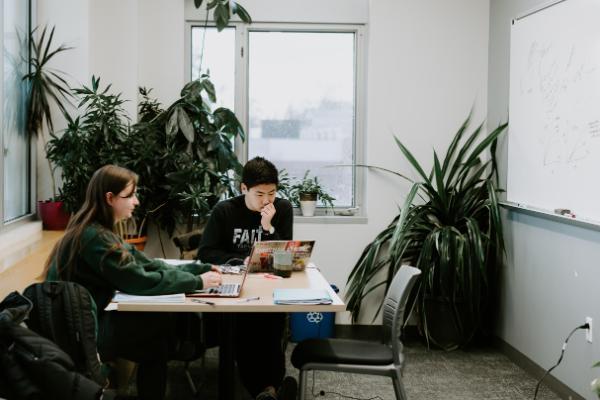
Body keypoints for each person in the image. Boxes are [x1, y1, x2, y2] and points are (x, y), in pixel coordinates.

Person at [41, 164, 222, 400]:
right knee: (157, 337)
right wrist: (197, 282)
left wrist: (199, 269)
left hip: (82, 321)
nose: (136, 202)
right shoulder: (94, 237)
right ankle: (182, 345)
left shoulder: (96, 230)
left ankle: (180, 345)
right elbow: (139, 281)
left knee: (157, 337)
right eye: (130, 195)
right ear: (110, 198)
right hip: (81, 331)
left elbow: (146, 263)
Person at [197, 156, 296, 400]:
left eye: (271, 193)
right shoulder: (225, 211)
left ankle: (268, 388)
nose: (266, 200)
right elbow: (206, 252)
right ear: (244, 189)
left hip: (268, 287)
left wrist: (268, 227)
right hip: (235, 288)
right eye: (259, 194)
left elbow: (285, 257)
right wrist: (239, 260)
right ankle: (266, 389)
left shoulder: (281, 209)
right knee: (246, 328)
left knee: (272, 325)